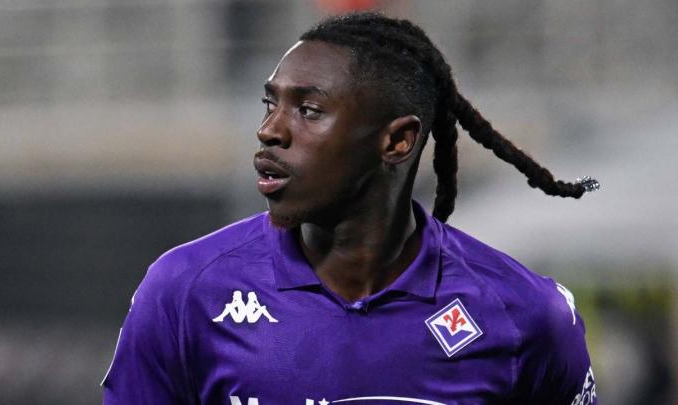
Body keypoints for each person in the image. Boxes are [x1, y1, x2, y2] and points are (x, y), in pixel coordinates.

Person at [101, 12, 599, 405]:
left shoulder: (527, 316)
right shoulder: (185, 291)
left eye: (308, 110)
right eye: (270, 104)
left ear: (397, 141)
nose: (270, 130)